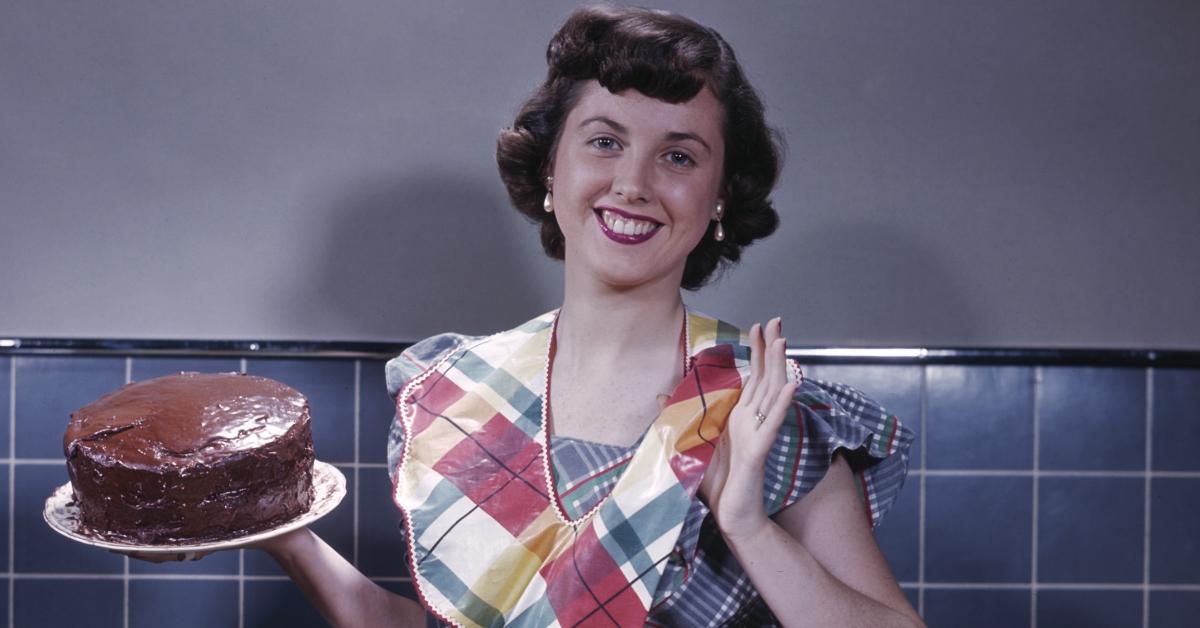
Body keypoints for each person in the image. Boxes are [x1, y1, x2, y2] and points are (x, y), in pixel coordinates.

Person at [262, 6, 922, 626]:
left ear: (721, 197)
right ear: (551, 170)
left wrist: (746, 522)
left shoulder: (758, 403)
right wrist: (288, 539)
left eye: (679, 156)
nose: (633, 183)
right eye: (605, 141)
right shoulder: (453, 392)